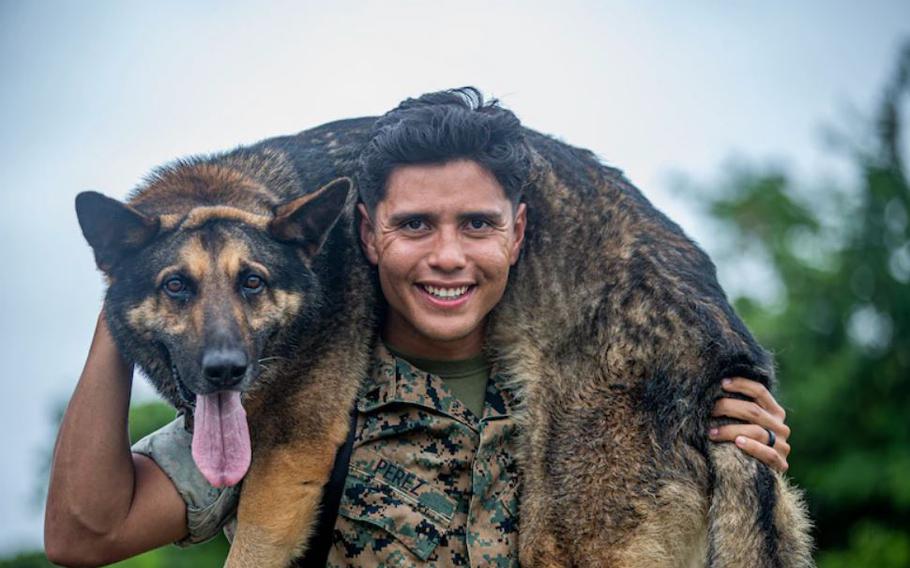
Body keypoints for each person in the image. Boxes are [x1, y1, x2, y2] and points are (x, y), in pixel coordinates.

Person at [44, 88, 792, 566]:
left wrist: (735, 454)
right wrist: (135, 281)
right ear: (367, 236)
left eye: (476, 224)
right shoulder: (265, 403)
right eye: (414, 225)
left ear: (520, 233)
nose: (446, 256)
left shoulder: (607, 413)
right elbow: (84, 534)